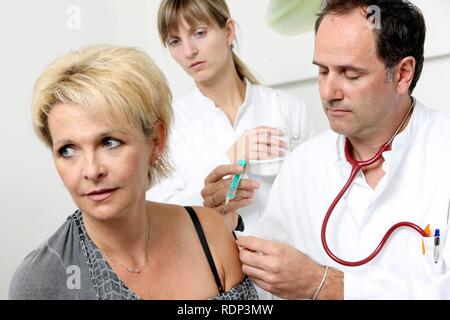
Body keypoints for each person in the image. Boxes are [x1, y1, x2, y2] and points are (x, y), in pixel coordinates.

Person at [238, 0, 450, 299]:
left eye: (350, 74)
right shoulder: (302, 166)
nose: (328, 92)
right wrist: (221, 226)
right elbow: (264, 286)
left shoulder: (444, 150)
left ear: (403, 74)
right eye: (323, 71)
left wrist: (326, 286)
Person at [9, 45, 258, 300]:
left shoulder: (210, 234)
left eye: (109, 142)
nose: (92, 171)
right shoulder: (40, 282)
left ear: (156, 141)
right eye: (68, 150)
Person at [148, 0, 315, 234]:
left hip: (285, 261)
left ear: (228, 31)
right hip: (210, 266)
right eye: (175, 41)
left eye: (199, 33)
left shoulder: (289, 108)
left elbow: (315, 199)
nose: (189, 51)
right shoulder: (168, 127)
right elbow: (159, 216)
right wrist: (229, 158)